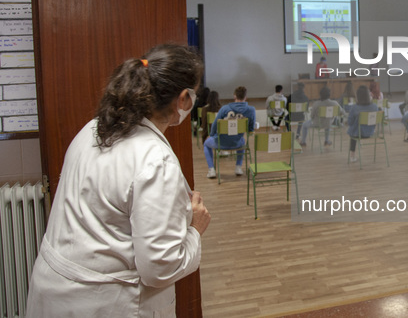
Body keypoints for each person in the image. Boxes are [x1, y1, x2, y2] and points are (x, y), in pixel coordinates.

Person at [26, 44, 211, 318]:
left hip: (55, 289)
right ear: (184, 99)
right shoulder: (155, 160)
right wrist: (195, 228)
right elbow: (161, 267)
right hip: (108, 303)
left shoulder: (94, 128)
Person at [204, 86, 256, 178]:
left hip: (220, 143)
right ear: (245, 97)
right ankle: (238, 167)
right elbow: (251, 128)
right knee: (242, 140)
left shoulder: (224, 109)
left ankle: (211, 170)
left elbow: (215, 125)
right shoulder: (251, 110)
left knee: (206, 143)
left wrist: (211, 135)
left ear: (234, 96)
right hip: (237, 144)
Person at [347, 85, 379, 163]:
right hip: (370, 132)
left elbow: (349, 122)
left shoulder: (355, 107)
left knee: (353, 132)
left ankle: (352, 156)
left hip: (357, 133)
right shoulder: (375, 106)